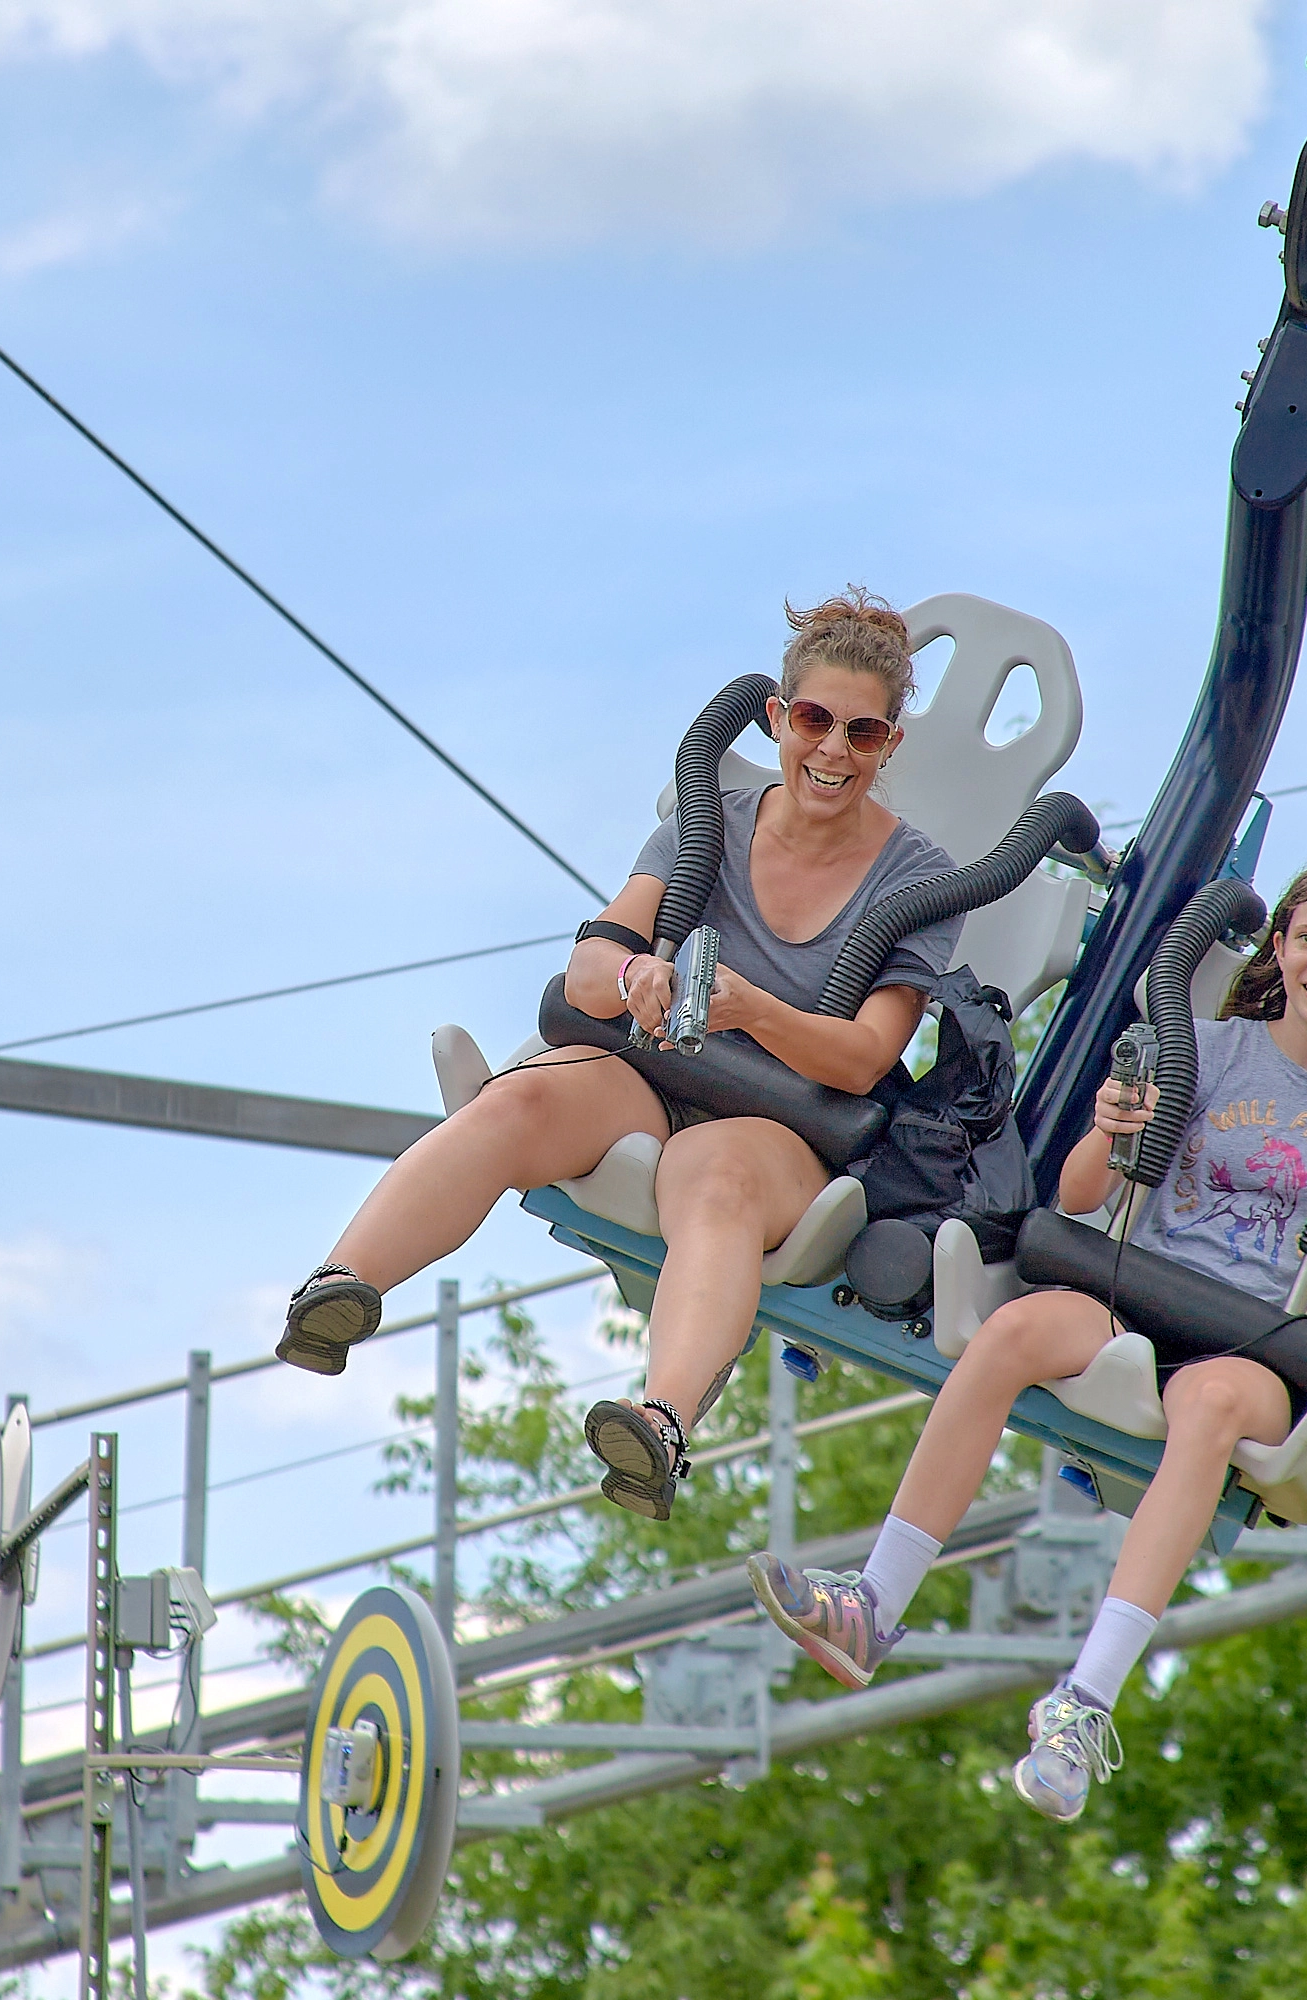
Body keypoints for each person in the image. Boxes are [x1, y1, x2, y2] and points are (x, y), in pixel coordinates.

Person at [746, 857, 1307, 1821]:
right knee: (1010, 1332)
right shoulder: (1205, 1046)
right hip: (1139, 1287)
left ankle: (1083, 1706)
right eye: (1306, 939)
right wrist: (1107, 1127)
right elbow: (1084, 1197)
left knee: (1208, 1408)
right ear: (1279, 947)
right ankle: (873, 1604)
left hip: (1251, 1344)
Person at [278, 589, 965, 1522]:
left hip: (783, 1129)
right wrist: (642, 974)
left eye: (863, 731)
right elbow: (590, 964)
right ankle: (340, 1289)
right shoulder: (710, 815)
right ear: (776, 719)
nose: (833, 750)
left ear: (889, 744)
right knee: (517, 1102)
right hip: (654, 1074)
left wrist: (751, 1008)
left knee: (712, 1175)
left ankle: (660, 1423)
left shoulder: (919, 879)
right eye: (813, 720)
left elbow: (862, 1055)